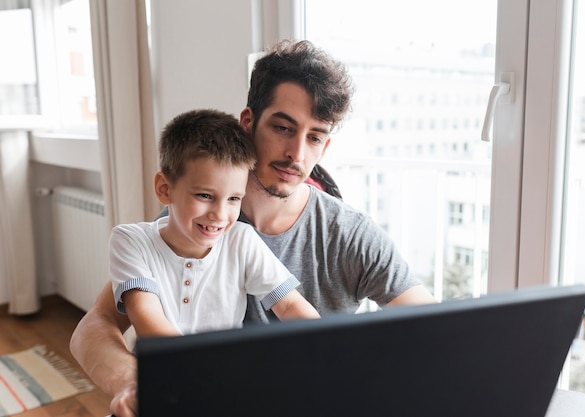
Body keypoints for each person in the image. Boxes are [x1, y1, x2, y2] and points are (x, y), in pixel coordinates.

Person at [70, 39, 437, 417]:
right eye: (283, 127)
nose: (297, 153)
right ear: (248, 123)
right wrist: (135, 382)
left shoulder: (350, 235)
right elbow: (93, 328)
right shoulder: (193, 220)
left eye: (314, 137)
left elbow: (434, 332)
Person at [110, 108, 319, 340]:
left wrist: (329, 344)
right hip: (167, 370)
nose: (219, 215)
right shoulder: (131, 241)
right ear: (165, 189)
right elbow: (147, 317)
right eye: (205, 196)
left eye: (233, 199)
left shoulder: (242, 241)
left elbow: (289, 304)